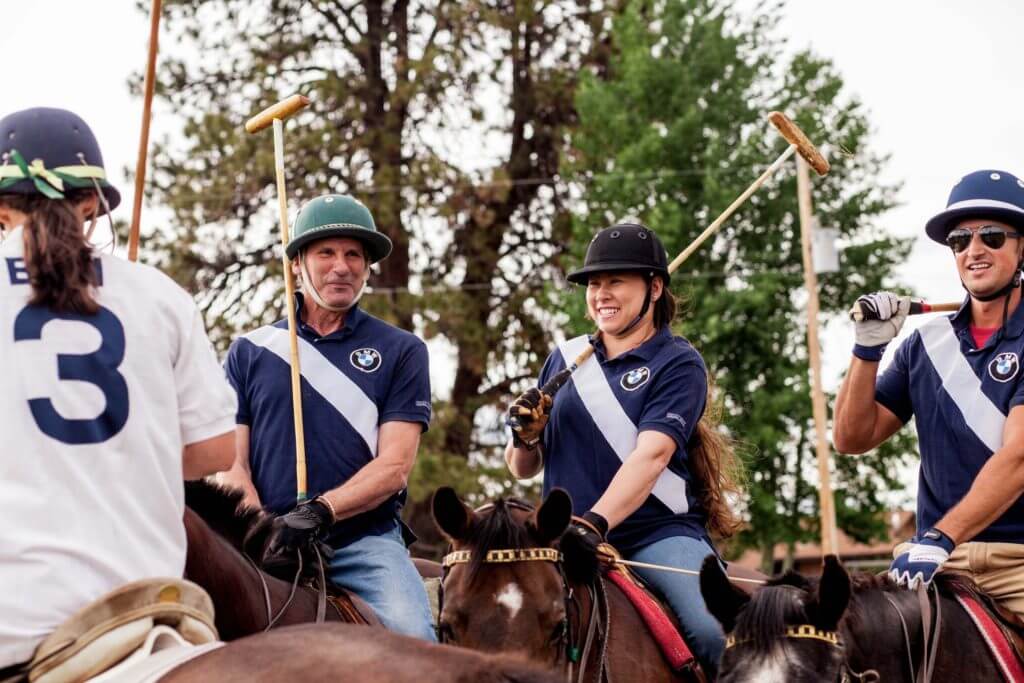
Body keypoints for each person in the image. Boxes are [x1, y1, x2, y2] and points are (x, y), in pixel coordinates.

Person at [0, 107, 237, 671]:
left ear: (2, 208)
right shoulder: (159, 294)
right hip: (147, 609)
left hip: (18, 624)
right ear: (90, 206)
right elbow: (215, 452)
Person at [505, 222, 743, 676]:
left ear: (654, 288)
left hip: (656, 536)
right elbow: (522, 468)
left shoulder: (677, 362)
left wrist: (592, 524)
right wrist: (525, 436)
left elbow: (650, 458)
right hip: (559, 540)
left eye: (616, 281)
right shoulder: (564, 357)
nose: (601, 294)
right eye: (594, 283)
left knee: (716, 634)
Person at [220, 194, 435, 641]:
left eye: (353, 254)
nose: (342, 266)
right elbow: (230, 462)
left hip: (363, 541)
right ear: (297, 263)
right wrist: (260, 527)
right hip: (266, 541)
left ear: (367, 267)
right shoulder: (249, 350)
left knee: (416, 639)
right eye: (326, 252)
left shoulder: (402, 350)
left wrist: (321, 511)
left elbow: (394, 467)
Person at [834, 170, 1024, 612]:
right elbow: (851, 438)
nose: (974, 250)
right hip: (937, 563)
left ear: (1021, 247)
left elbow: (1017, 459)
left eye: (992, 236)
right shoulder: (926, 344)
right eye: (960, 240)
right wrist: (867, 350)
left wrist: (941, 535)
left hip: (1015, 563)